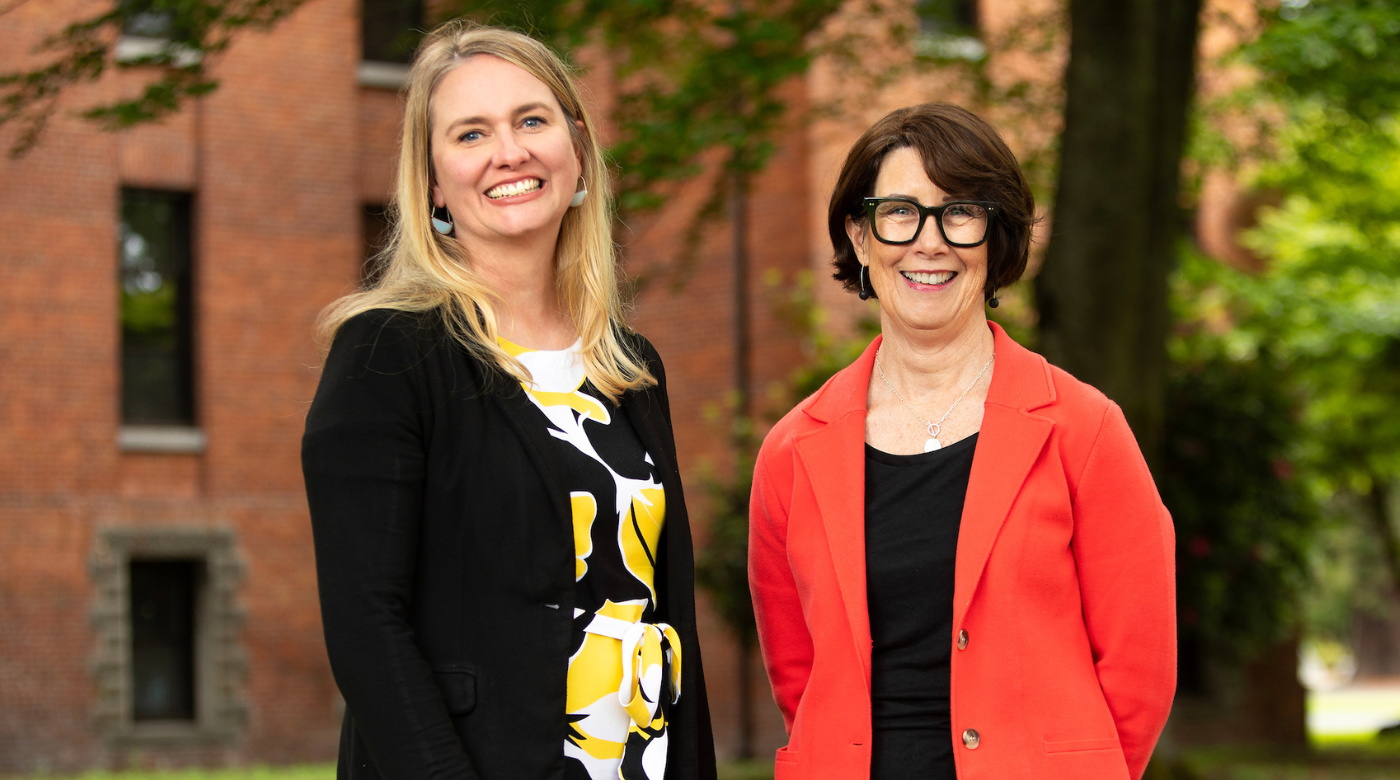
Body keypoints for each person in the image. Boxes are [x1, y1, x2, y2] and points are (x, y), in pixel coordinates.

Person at [302, 22, 715, 780]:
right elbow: (367, 631)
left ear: (578, 148)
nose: (510, 152)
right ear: (431, 181)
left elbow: (667, 615)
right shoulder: (388, 355)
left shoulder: (630, 365)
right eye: (470, 133)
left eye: (532, 120)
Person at [748, 102, 1176, 780]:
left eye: (960, 213)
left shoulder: (1084, 430)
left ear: (994, 236)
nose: (929, 242)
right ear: (860, 238)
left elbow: (1139, 668)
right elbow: (799, 674)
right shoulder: (791, 452)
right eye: (899, 212)